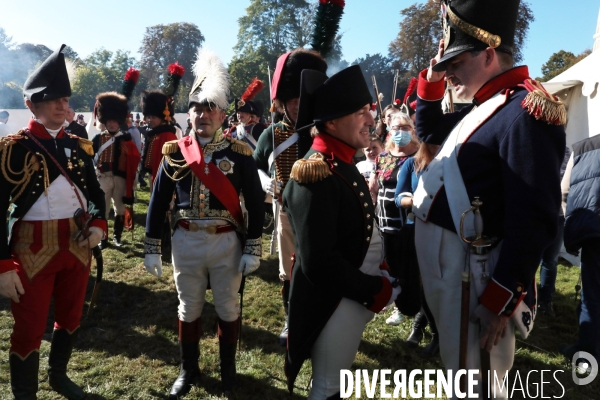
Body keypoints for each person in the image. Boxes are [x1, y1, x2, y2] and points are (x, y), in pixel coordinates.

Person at [413, 0, 566, 397]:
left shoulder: (525, 111)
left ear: (487, 54)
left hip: (478, 278)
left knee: (479, 386)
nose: (449, 76)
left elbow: (535, 218)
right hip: (457, 271)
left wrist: (502, 297)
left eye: (456, 64)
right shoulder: (489, 106)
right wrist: (435, 70)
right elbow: (428, 129)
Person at [143, 48, 264, 398]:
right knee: (189, 305)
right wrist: (152, 247)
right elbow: (157, 201)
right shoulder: (176, 152)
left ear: (223, 114)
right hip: (186, 241)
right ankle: (188, 369)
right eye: (196, 107)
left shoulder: (239, 154)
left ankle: (228, 370)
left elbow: (255, 204)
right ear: (189, 113)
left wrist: (253, 246)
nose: (203, 114)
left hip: (226, 241)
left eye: (210, 108)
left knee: (228, 306)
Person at [283, 65, 401, 399]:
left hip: (349, 296)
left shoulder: (340, 162)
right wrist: (371, 288)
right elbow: (318, 261)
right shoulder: (316, 171)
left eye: (369, 111)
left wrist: (379, 266)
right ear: (332, 122)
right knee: (328, 388)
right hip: (334, 300)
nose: (371, 120)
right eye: (360, 112)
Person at [0, 44, 107, 400]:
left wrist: (98, 226)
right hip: (31, 248)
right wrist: (2, 265)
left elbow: (96, 195)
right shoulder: (13, 148)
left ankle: (58, 377)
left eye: (65, 99)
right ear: (31, 104)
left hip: (76, 245)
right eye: (53, 100)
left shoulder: (80, 145)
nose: (63, 106)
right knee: (29, 329)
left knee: (71, 316)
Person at [253, 48, 328, 346]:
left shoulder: (323, 130)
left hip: (321, 209)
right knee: (289, 269)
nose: (297, 104)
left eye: (301, 97)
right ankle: (291, 318)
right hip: (284, 210)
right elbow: (256, 167)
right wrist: (264, 184)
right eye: (291, 98)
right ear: (281, 100)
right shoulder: (270, 134)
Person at [369, 112, 419, 326]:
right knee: (389, 262)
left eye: (405, 128)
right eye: (396, 129)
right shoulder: (383, 157)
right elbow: (374, 186)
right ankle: (395, 298)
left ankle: (410, 304)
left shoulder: (417, 156)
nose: (400, 133)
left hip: (406, 222)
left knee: (407, 263)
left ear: (412, 131)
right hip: (383, 219)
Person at [395, 142, 441, 357]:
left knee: (440, 282)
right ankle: (423, 327)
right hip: (416, 228)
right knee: (420, 281)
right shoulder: (412, 164)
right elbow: (399, 196)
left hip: (445, 231)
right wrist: (413, 201)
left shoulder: (453, 163)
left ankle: (438, 333)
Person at [560, 136, 600, 360]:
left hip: (594, 232)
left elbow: (564, 191)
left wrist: (574, 223)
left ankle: (588, 352)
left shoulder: (584, 147)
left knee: (593, 294)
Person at [92, 92, 140, 248]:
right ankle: (103, 239)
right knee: (103, 210)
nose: (112, 124)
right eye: (109, 121)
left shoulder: (126, 139)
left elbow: (134, 158)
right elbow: (89, 156)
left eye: (114, 122)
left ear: (119, 122)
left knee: (120, 208)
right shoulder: (97, 139)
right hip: (103, 177)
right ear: (105, 122)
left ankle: (117, 237)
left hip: (120, 179)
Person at [538, 145, 571, 317]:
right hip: (536, 213)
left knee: (550, 259)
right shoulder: (534, 146)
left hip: (557, 214)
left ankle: (545, 300)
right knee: (530, 256)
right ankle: (524, 299)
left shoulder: (566, 151)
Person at [140, 63, 185, 186]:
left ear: (163, 117)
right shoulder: (155, 133)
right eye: (148, 117)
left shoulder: (167, 135)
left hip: (164, 179)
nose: (149, 120)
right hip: (154, 176)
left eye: (153, 117)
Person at [230, 78, 267, 150]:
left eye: (243, 112)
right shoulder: (234, 130)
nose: (239, 115)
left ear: (249, 114)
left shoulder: (258, 128)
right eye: (238, 112)